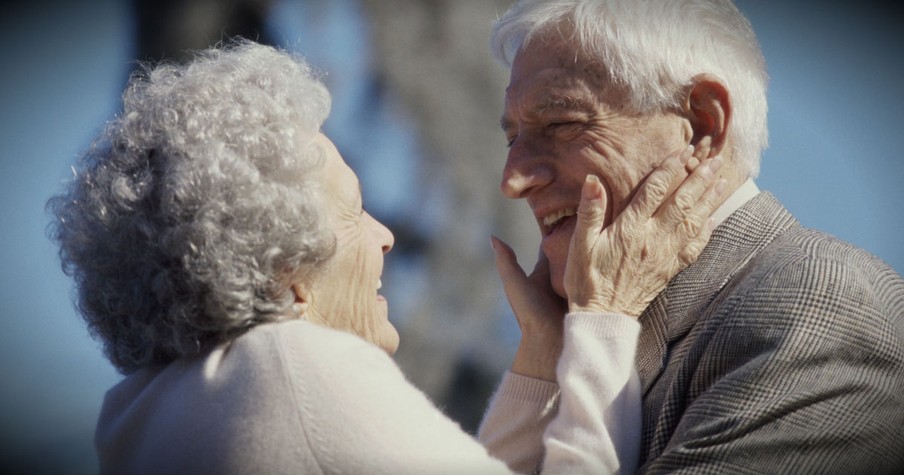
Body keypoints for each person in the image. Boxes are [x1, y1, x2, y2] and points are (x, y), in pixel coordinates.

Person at [47, 39, 724, 474]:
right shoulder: (293, 370)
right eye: (352, 211)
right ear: (291, 280)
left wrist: (540, 366)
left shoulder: (146, 414)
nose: (385, 235)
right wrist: (605, 320)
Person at [480, 0, 904, 474]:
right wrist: (547, 356)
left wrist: (599, 326)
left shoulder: (820, 302)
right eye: (512, 138)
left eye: (560, 123)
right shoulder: (594, 333)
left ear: (704, 123)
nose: (513, 179)